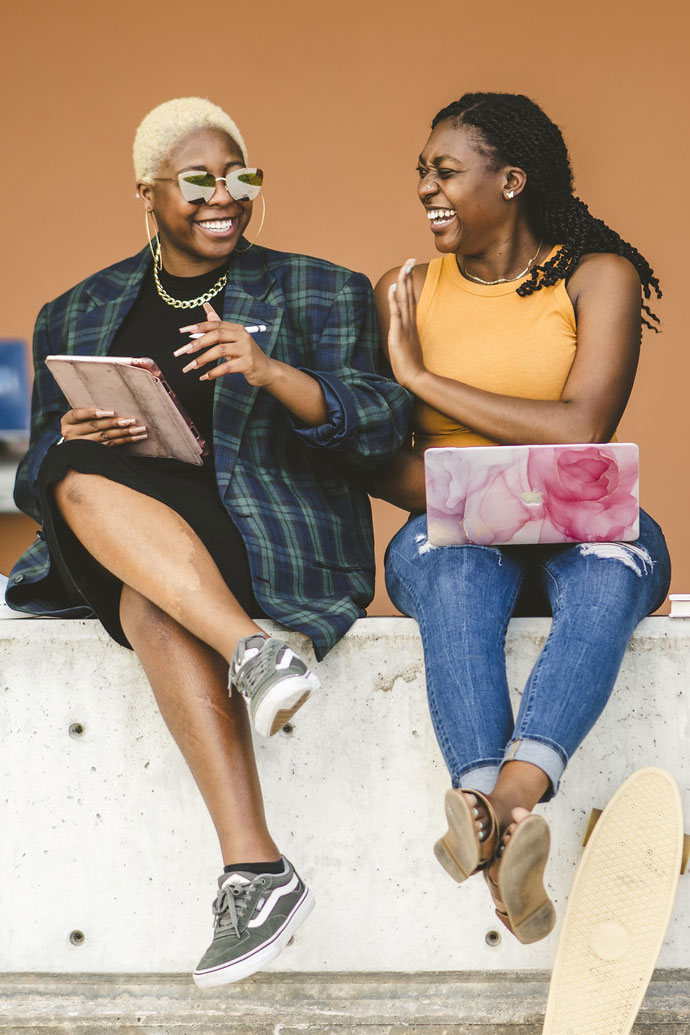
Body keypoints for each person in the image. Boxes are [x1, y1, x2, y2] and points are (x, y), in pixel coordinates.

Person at [6, 97, 410, 986]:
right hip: (133, 531)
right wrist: (76, 427)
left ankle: (255, 869)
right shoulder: (74, 311)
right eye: (197, 180)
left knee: (145, 593)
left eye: (240, 177)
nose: (223, 196)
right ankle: (254, 665)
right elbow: (37, 471)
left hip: (271, 537)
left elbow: (382, 425)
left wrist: (272, 373)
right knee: (73, 466)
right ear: (147, 190)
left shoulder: (317, 288)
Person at [373, 92, 670, 944]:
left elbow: (583, 425)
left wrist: (424, 379)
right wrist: (467, 490)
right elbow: (380, 456)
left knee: (610, 576)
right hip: (454, 526)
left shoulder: (597, 274)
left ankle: (491, 807)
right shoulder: (404, 292)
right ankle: (503, 818)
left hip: (583, 520)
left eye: (446, 170)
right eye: (421, 171)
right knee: (450, 571)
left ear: (510, 179)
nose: (426, 185)